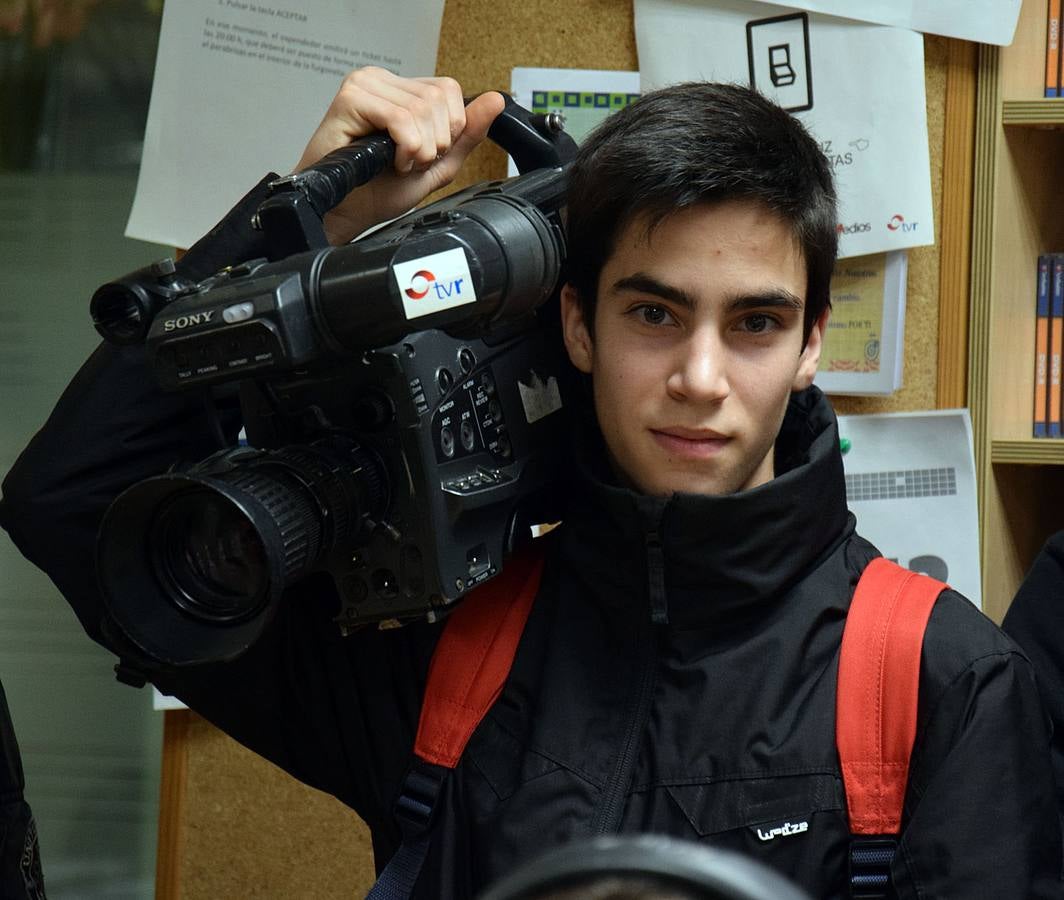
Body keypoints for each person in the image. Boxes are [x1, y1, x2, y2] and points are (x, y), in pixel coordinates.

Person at [0, 66, 1060, 897]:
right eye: (652, 313)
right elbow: (72, 502)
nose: (699, 379)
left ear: (811, 343)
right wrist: (305, 233)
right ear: (575, 324)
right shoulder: (448, 651)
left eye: (753, 323)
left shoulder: (940, 685)